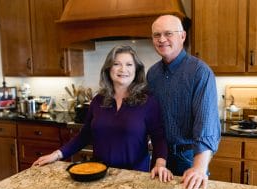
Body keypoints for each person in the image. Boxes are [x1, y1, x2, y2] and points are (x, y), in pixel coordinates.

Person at [33, 45, 173, 182]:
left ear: (136, 69)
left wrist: (160, 165)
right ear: (108, 69)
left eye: (129, 64)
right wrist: (56, 155)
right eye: (116, 64)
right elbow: (85, 135)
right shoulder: (98, 100)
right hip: (99, 174)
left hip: (133, 177)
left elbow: (159, 138)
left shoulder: (148, 101)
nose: (123, 69)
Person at [147, 15, 221, 189]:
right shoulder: (152, 74)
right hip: (159, 158)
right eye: (157, 35)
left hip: (189, 158)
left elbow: (206, 123)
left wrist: (199, 168)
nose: (162, 39)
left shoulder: (200, 72)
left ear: (183, 36)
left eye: (168, 33)